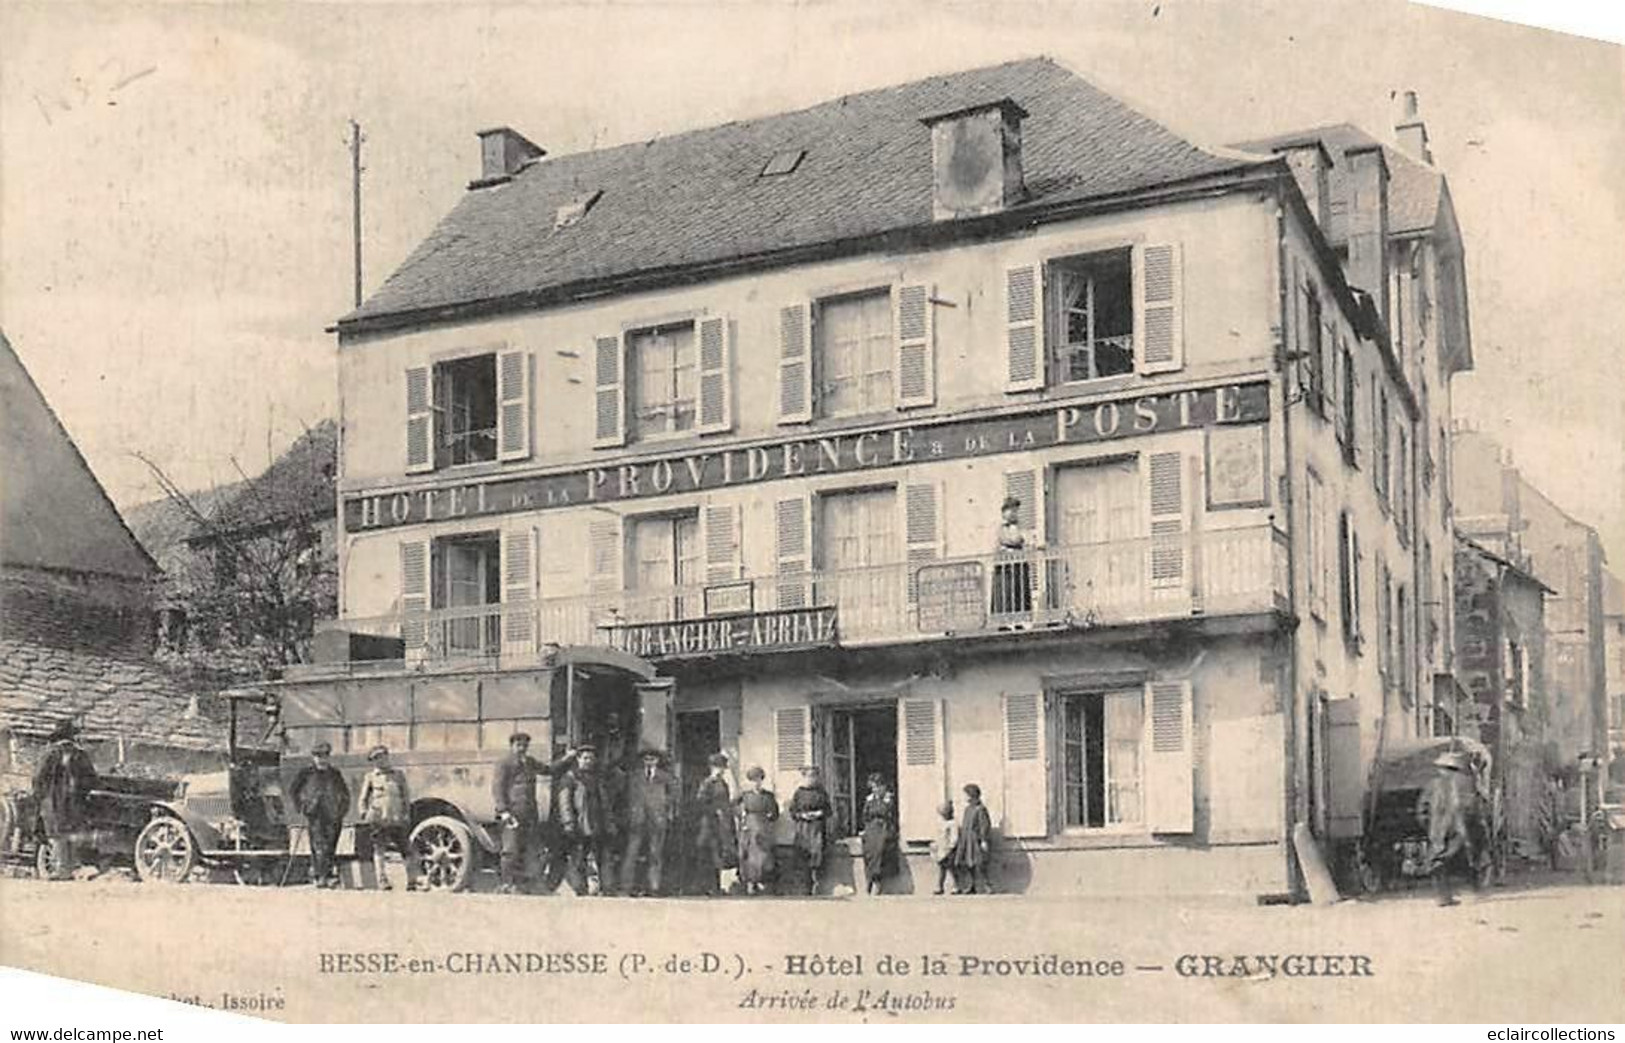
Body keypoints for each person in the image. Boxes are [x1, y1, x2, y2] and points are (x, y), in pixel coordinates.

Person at [491, 732, 574, 894]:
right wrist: (504, 811)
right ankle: (507, 884)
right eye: (519, 745)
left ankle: (523, 885)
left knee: (529, 849)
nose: (522, 748)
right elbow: (497, 788)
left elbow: (548, 770)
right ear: (512, 745)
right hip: (512, 813)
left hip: (529, 814)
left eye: (525, 745)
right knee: (510, 850)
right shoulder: (504, 763)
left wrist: (567, 759)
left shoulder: (530, 762)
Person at [31, 720, 96, 881]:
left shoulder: (50, 754)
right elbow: (92, 779)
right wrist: (81, 794)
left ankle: (62, 869)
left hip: (53, 802)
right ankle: (73, 867)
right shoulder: (81, 754)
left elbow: (38, 778)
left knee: (56, 834)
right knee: (72, 833)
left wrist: (40, 796)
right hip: (76, 803)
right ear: (72, 737)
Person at [357, 745, 419, 891]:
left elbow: (405, 797)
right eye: (376, 759)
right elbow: (363, 798)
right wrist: (364, 813)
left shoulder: (398, 775)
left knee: (406, 850)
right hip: (379, 819)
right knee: (379, 850)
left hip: (397, 818)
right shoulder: (371, 777)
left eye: (382, 757)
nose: (380, 761)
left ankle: (412, 881)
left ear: (387, 757)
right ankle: (382, 881)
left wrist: (406, 814)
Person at [556, 745, 616, 895]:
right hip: (580, 824)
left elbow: (605, 803)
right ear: (578, 759)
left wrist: (609, 823)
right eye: (585, 758)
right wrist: (568, 823)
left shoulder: (598, 778)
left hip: (597, 823)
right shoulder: (570, 778)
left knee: (603, 856)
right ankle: (579, 888)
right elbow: (565, 803)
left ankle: (607, 888)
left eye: (591, 758)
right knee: (578, 857)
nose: (588, 761)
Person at [290, 741, 350, 888]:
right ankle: (319, 876)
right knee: (318, 846)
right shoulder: (306, 772)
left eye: (324, 756)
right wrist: (301, 807)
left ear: (328, 757)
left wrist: (342, 811)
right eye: (318, 756)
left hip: (333, 815)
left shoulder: (334, 773)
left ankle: (328, 875)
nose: (321, 759)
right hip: (315, 814)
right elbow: (293, 791)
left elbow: (345, 793)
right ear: (313, 758)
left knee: (330, 846)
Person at [620, 747, 678, 896]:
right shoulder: (634, 776)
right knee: (632, 853)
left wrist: (664, 807)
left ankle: (654, 887)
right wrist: (630, 813)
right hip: (637, 820)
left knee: (655, 853)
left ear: (657, 761)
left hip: (657, 820)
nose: (649, 762)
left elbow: (673, 795)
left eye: (652, 759)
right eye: (646, 759)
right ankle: (628, 886)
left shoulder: (665, 777)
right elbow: (626, 796)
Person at [1425, 749, 1478, 906]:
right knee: (1448, 859)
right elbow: (1467, 807)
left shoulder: (1432, 785)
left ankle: (1444, 895)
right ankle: (1452, 893)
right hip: (1455, 827)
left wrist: (1428, 824)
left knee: (1440, 859)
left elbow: (1422, 808)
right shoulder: (1462, 784)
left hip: (1438, 829)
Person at [690, 753, 737, 896]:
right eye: (719, 767)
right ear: (712, 768)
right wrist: (714, 811)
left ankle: (717, 886)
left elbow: (726, 803)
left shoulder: (723, 784)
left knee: (719, 854)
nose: (721, 771)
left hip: (721, 823)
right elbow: (700, 803)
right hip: (709, 823)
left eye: (723, 768)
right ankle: (704, 886)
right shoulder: (707, 783)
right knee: (707, 853)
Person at [788, 765, 833, 895]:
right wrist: (802, 815)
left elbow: (829, 811)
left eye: (814, 776)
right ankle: (804, 886)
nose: (812, 779)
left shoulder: (821, 792)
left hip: (817, 828)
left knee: (816, 853)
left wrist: (819, 813)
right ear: (804, 777)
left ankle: (816, 885)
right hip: (803, 828)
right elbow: (793, 811)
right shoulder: (799, 793)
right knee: (803, 854)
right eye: (809, 776)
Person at [736, 766, 779, 896]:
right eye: (753, 780)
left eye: (759, 780)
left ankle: (762, 881)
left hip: (763, 828)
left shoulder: (768, 796)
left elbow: (775, 813)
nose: (756, 783)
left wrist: (771, 815)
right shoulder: (745, 796)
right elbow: (735, 809)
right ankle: (750, 883)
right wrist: (741, 814)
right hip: (749, 828)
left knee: (764, 856)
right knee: (749, 856)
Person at [990, 495, 1033, 619]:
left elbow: (1027, 541)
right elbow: (995, 545)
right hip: (1004, 566)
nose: (1014, 513)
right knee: (1005, 595)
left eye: (1016, 510)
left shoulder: (1021, 526)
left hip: (1019, 564)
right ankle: (1004, 621)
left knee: (1020, 593)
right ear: (1004, 512)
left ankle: (1021, 620)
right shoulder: (998, 527)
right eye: (1011, 510)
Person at [860, 773, 899, 895]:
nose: (876, 790)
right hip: (871, 828)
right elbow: (865, 816)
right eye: (873, 788)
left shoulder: (889, 799)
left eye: (878, 787)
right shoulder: (869, 799)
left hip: (884, 827)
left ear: (884, 786)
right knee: (869, 851)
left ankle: (877, 881)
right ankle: (870, 879)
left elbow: (891, 815)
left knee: (880, 849)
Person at [954, 782, 994, 894]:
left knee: (979, 863)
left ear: (972, 795)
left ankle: (987, 885)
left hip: (975, 840)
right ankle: (972, 885)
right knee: (967, 863)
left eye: (966, 794)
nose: (964, 797)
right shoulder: (968, 809)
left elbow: (984, 825)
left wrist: (984, 840)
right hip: (966, 840)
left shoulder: (980, 809)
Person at [930, 800, 958, 896]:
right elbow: (937, 836)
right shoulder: (941, 823)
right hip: (941, 849)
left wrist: (951, 846)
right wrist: (934, 845)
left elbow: (954, 836)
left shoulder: (952, 824)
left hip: (948, 849)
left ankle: (955, 885)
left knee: (951, 868)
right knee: (941, 868)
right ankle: (940, 886)